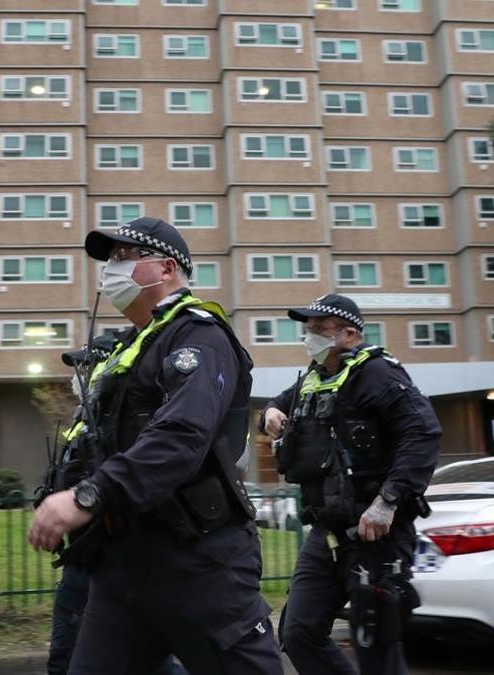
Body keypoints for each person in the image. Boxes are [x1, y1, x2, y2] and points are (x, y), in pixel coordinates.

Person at [27, 216, 283, 674]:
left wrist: (90, 495)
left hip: (197, 562)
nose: (112, 269)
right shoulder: (132, 347)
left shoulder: (198, 335)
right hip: (122, 566)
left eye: (126, 257)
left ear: (166, 268)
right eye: (111, 260)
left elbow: (181, 434)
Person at [261, 294, 440, 675]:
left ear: (350, 334)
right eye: (307, 328)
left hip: (376, 534)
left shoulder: (378, 373)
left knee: (375, 645)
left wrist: (387, 501)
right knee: (298, 633)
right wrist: (270, 413)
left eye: (318, 328)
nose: (309, 335)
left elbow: (422, 433)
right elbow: (277, 405)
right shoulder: (313, 379)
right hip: (326, 533)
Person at [38, 334, 187, 675]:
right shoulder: (83, 418)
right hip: (84, 554)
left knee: (78, 657)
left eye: (86, 366)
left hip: (110, 554)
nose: (79, 374)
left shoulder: (120, 418)